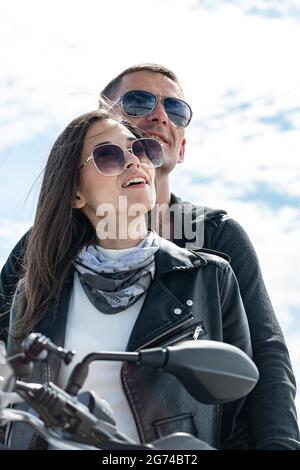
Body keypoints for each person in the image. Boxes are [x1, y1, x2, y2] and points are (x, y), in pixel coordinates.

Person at [0, 64, 299, 449]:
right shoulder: (42, 252)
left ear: (178, 147)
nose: (160, 115)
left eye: (175, 110)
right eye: (140, 101)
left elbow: (265, 359)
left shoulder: (216, 241)